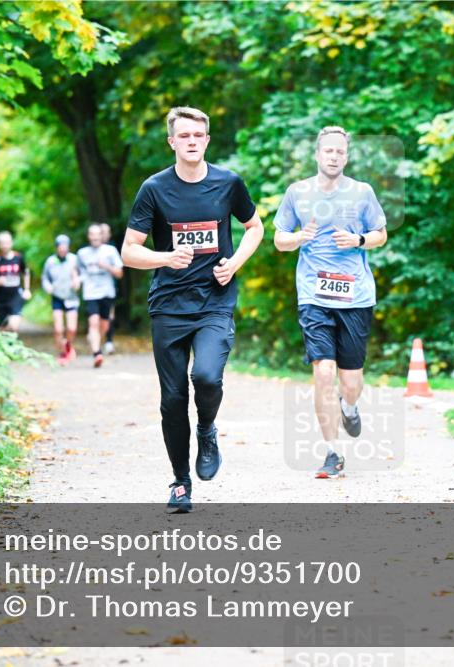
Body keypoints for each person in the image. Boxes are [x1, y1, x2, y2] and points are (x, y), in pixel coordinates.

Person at [122, 106, 264, 513]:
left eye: (198, 135)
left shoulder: (227, 183)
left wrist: (235, 262)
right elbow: (129, 251)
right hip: (168, 304)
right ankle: (181, 482)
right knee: (171, 398)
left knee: (205, 375)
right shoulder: (154, 189)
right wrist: (165, 258)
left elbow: (255, 227)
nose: (191, 142)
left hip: (215, 300)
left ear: (206, 140)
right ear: (172, 141)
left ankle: (206, 428)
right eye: (183, 136)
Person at [273, 126, 387, 478]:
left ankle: (349, 407)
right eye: (328, 151)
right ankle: (332, 453)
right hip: (313, 295)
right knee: (323, 372)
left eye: (340, 151)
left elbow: (380, 235)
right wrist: (297, 237)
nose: (334, 156)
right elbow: (279, 239)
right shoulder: (298, 192)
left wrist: (358, 240)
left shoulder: (362, 192)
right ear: (318, 154)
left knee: (350, 380)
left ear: (346, 156)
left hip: (355, 296)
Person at [77, 224, 123, 368]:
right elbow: (78, 272)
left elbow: (120, 273)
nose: (95, 237)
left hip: (107, 292)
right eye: (92, 234)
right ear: (89, 236)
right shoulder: (82, 253)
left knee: (104, 325)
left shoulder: (110, 251)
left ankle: (95, 340)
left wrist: (106, 267)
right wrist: (77, 280)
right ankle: (97, 353)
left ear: (101, 236)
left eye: (97, 234)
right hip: (90, 293)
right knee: (93, 323)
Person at [41, 234, 81, 366]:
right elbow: (45, 278)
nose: (63, 249)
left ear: (68, 247)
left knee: (71, 328)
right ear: (56, 248)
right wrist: (48, 288)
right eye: (60, 247)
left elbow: (83, 275)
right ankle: (62, 353)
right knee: (58, 329)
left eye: (65, 247)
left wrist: (77, 281)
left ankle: (68, 345)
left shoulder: (74, 259)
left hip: (71, 296)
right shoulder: (51, 261)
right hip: (57, 296)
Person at [0, 231, 31, 332]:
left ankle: (12, 343)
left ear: (11, 243)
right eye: (2, 243)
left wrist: (27, 289)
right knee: (1, 329)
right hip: (1, 299)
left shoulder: (18, 257)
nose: (5, 246)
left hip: (16, 296)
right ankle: (5, 344)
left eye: (7, 243)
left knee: (14, 326)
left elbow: (26, 272)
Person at [100, 222, 118, 356]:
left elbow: (119, 270)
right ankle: (98, 343)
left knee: (110, 315)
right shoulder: (89, 250)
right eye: (102, 231)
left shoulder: (112, 249)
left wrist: (106, 267)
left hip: (111, 287)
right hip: (93, 291)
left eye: (106, 231)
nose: (104, 234)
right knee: (99, 318)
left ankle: (109, 341)